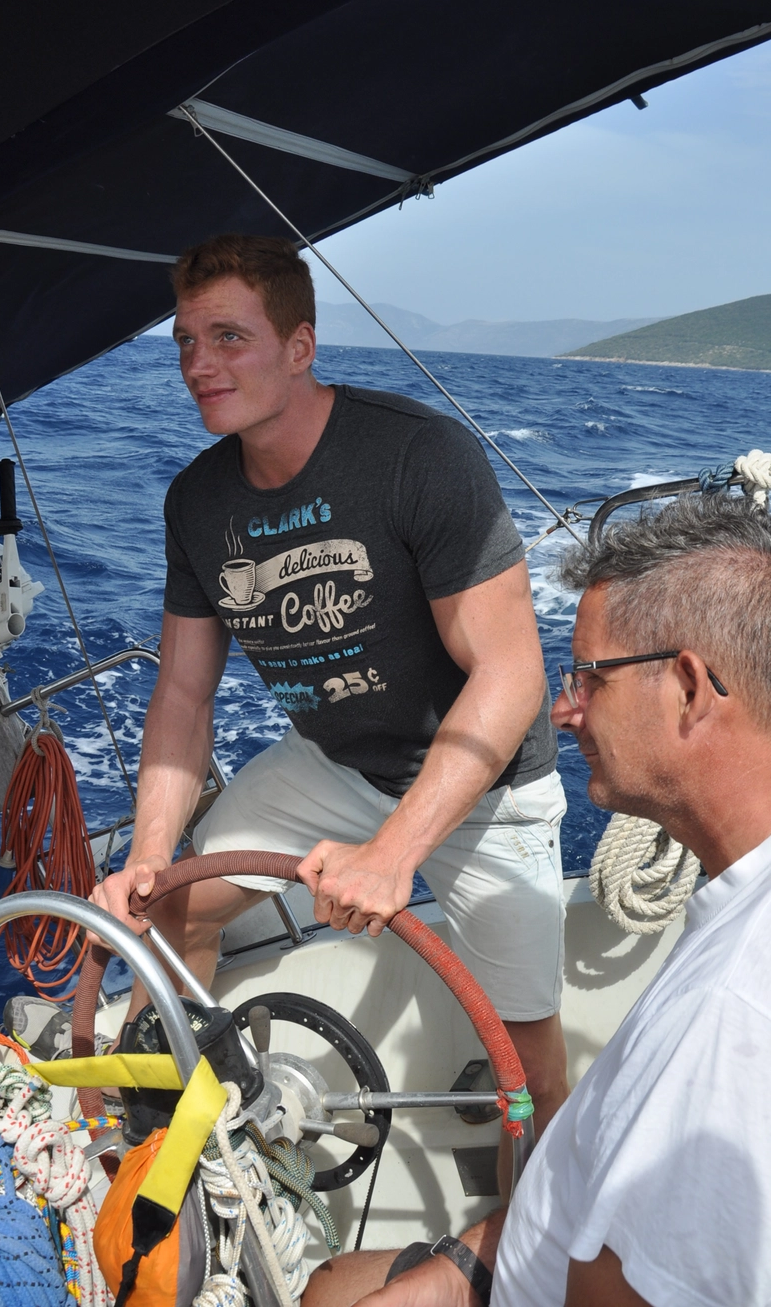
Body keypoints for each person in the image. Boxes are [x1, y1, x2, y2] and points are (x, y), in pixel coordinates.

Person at [304, 494, 771, 1306]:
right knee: (330, 1286)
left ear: (690, 689)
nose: (564, 711)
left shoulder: (743, 1020)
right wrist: (468, 1264)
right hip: (521, 1254)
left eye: (588, 678)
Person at [91, 233, 571, 1132]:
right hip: (338, 761)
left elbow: (511, 673)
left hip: (485, 785)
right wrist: (150, 855)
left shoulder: (416, 456)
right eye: (186, 342)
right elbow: (184, 698)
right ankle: (176, 1134)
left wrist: (395, 852)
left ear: (300, 347)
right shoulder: (196, 501)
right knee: (174, 905)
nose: (199, 364)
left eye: (228, 337)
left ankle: (540, 1246)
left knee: (532, 1060)